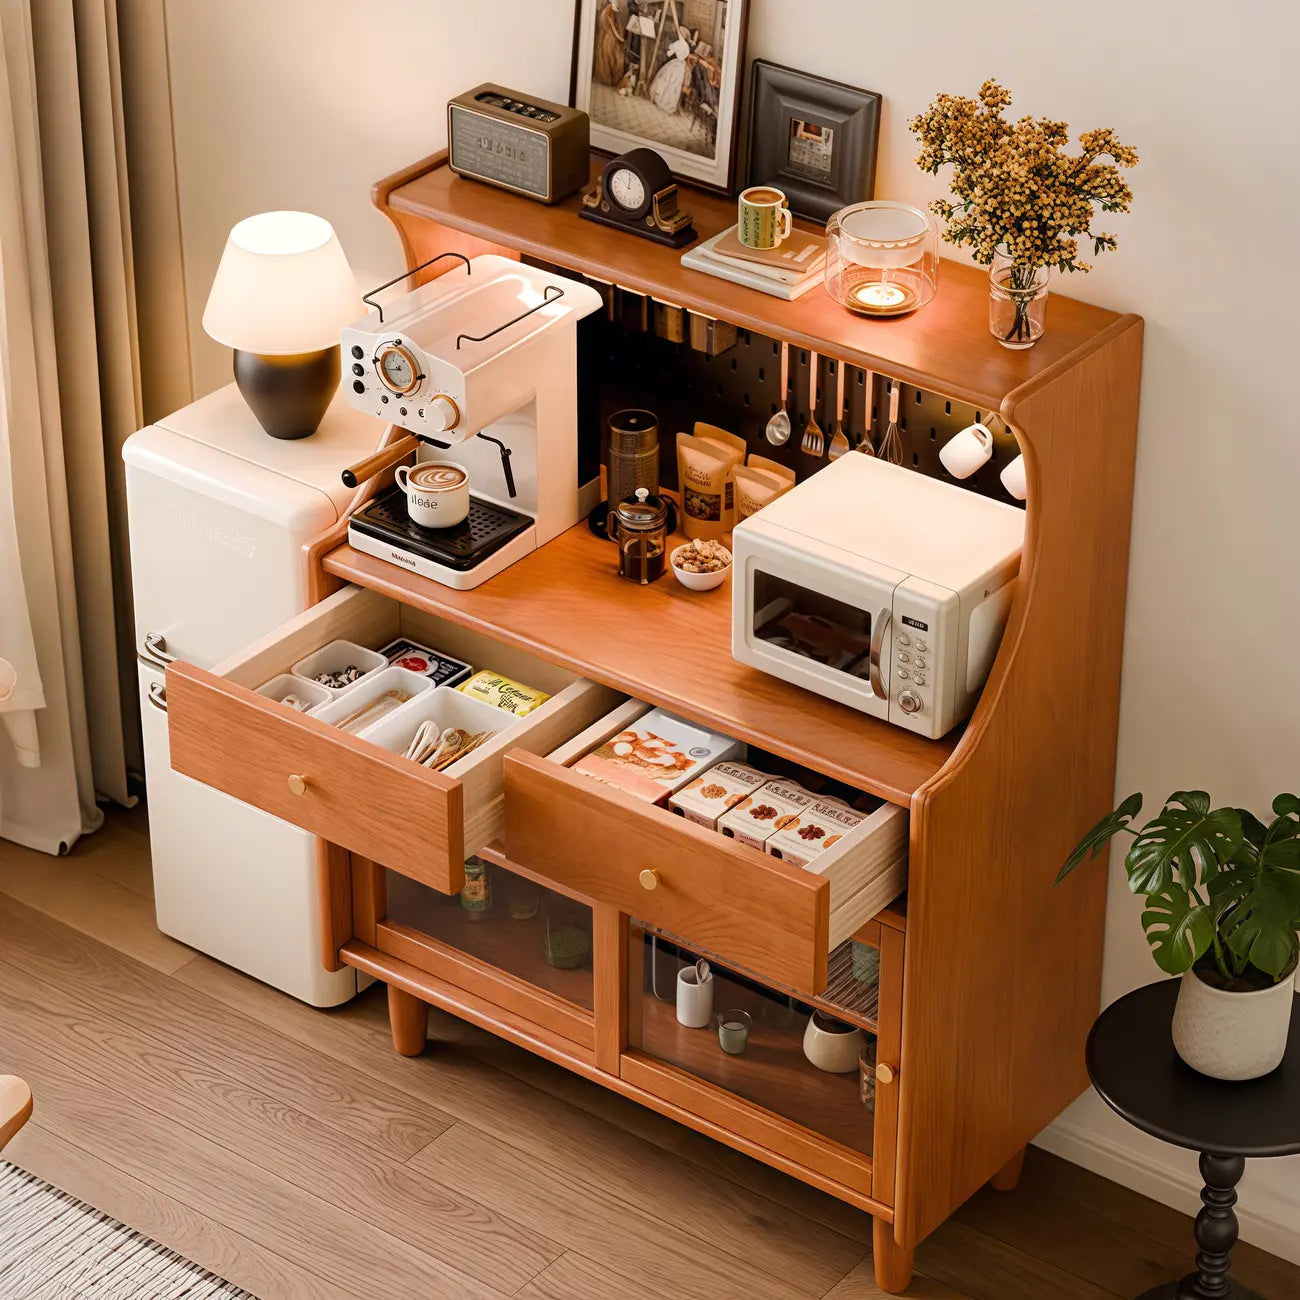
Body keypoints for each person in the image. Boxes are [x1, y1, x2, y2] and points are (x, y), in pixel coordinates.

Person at [649, 25, 691, 114]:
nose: (680, 35)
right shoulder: (681, 43)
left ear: (685, 36)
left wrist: (672, 50)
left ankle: (665, 102)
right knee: (668, 79)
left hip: (678, 64)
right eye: (681, 33)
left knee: (672, 82)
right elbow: (671, 51)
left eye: (682, 34)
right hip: (678, 63)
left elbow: (672, 52)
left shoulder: (682, 44)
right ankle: (662, 99)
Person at [593, 0, 626, 88]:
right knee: (609, 57)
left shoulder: (613, 7)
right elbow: (610, 25)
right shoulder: (609, 9)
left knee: (611, 58)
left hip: (612, 37)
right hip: (609, 38)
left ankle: (611, 79)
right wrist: (619, 37)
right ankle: (607, 79)